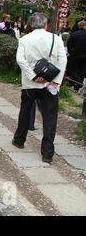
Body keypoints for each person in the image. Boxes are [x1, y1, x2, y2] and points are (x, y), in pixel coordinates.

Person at [12, 13, 67, 164]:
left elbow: (20, 59)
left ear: (31, 24)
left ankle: (19, 139)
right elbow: (63, 59)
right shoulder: (56, 39)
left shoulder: (24, 39)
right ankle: (47, 153)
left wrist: (33, 76)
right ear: (46, 25)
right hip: (50, 84)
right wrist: (56, 81)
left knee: (25, 111)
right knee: (50, 117)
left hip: (30, 83)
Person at [67, 20, 86, 92]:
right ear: (84, 26)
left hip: (75, 55)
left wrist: (71, 52)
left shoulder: (74, 34)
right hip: (85, 57)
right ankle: (77, 86)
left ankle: (78, 83)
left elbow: (69, 46)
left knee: (73, 70)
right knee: (82, 71)